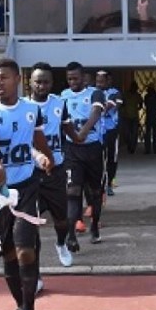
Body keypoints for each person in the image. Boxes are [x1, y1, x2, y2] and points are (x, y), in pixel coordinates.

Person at [0, 58, 54, 310]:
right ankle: (19, 305)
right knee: (10, 255)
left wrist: (44, 158)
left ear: (17, 79)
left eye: (3, 77)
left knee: (26, 249)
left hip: (26, 188)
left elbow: (37, 142)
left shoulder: (31, 110)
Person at [28, 62, 80, 268]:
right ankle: (34, 268)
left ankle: (61, 243)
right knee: (30, 223)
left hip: (56, 170)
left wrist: (80, 137)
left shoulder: (59, 103)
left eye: (46, 82)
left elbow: (68, 129)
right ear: (30, 83)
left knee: (61, 219)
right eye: (38, 82)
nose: (42, 86)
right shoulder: (24, 106)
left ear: (51, 84)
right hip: (30, 172)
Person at [61, 61, 106, 246]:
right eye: (69, 78)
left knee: (94, 192)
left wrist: (83, 132)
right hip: (73, 151)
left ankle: (94, 225)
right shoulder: (63, 96)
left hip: (93, 149)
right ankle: (71, 234)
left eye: (75, 78)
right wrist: (72, 137)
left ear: (83, 78)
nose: (72, 82)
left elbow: (96, 113)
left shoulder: (95, 93)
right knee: (72, 191)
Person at [96, 71, 122, 196]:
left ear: (108, 81)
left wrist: (103, 108)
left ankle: (110, 183)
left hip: (111, 130)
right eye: (97, 82)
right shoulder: (94, 93)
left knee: (112, 158)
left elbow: (114, 105)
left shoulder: (115, 93)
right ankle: (99, 184)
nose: (99, 84)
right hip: (98, 132)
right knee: (98, 158)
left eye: (101, 82)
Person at [120, 81, 143, 154]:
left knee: (134, 133)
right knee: (126, 133)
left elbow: (141, 103)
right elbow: (121, 103)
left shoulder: (137, 95)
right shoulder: (125, 95)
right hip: (126, 116)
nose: (135, 89)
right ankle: (129, 144)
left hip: (134, 117)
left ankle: (132, 147)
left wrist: (139, 108)